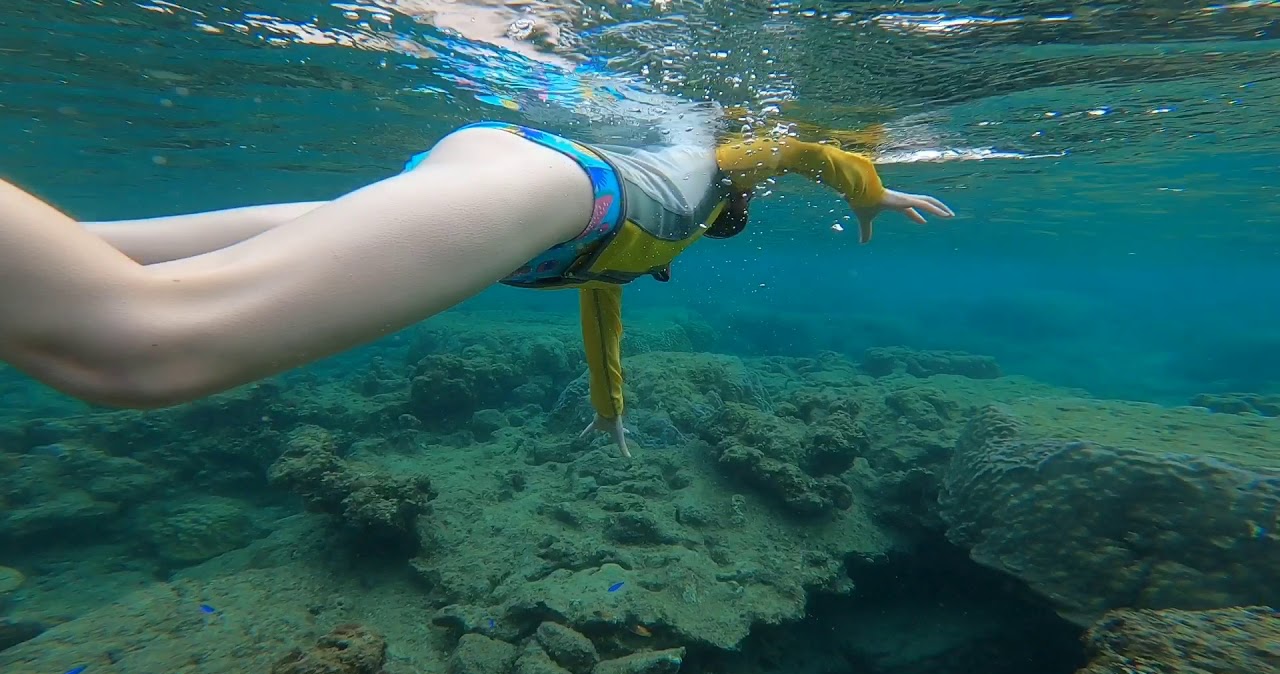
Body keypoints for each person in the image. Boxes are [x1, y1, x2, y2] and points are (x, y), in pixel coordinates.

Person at [0, 120, 952, 453]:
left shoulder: (627, 261)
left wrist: (611, 415)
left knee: (103, 261)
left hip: (508, 189)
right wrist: (869, 187)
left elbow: (603, 317)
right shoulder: (713, 172)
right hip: (546, 190)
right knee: (141, 343)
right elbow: (789, 147)